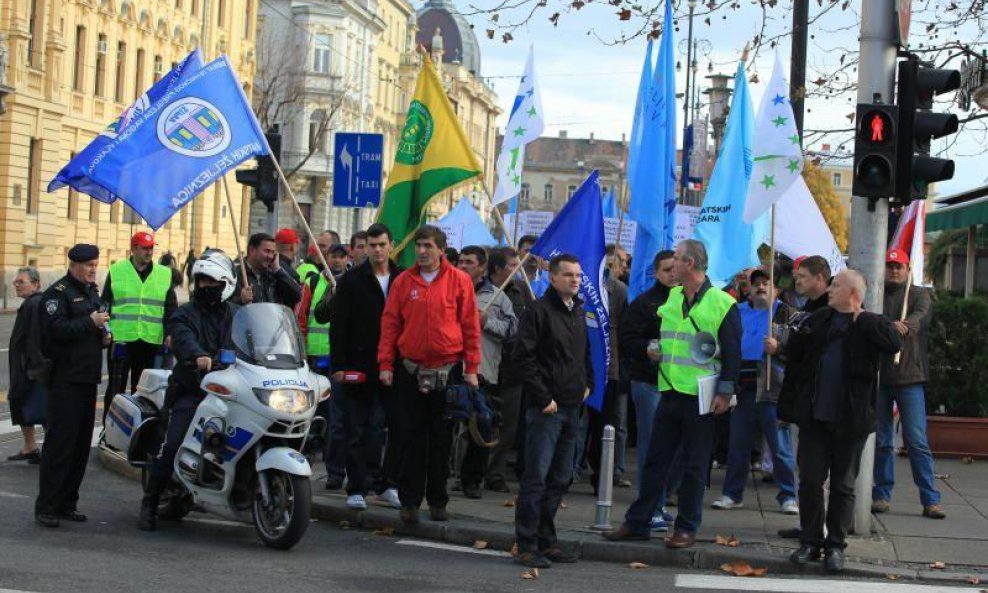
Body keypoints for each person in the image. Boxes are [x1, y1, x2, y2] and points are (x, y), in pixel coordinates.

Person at [604, 239, 741, 549]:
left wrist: (724, 392)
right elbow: (665, 338)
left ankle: (686, 527)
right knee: (655, 461)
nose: (672, 264)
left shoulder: (723, 303)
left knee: (694, 466)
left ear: (689, 264)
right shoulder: (673, 297)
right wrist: (652, 349)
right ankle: (638, 522)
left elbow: (732, 355)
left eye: (677, 259)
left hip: (702, 397)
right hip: (669, 390)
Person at [779, 270, 901, 574]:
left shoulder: (869, 324)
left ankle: (835, 545)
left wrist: (868, 319)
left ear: (854, 294)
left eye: (836, 285)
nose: (830, 289)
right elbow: (794, 359)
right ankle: (810, 541)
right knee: (809, 481)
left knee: (844, 486)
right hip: (814, 418)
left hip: (851, 421)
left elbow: (893, 343)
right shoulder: (819, 319)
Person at [378, 225, 481, 524]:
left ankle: (438, 501)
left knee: (441, 441)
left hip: (447, 373)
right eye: (418, 246)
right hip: (410, 371)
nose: (421, 252)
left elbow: (471, 328)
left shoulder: (459, 282)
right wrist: (385, 364)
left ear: (440, 249)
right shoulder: (403, 282)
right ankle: (410, 502)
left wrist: (472, 369)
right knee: (410, 439)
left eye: (427, 246)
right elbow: (390, 325)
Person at [139, 250, 239, 531]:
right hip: (193, 389)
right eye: (202, 282)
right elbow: (182, 338)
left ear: (226, 283)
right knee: (172, 445)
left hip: (232, 391)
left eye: (211, 282)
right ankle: (150, 501)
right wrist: (198, 356)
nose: (205, 287)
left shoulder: (237, 314)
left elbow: (254, 340)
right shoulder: (185, 313)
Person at [512, 254, 593, 569]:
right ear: (553, 278)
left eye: (577, 275)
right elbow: (523, 357)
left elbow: (582, 353)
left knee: (560, 477)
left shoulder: (578, 311)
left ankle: (547, 540)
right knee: (537, 476)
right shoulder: (538, 311)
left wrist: (589, 382)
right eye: (568, 275)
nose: (575, 279)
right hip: (547, 409)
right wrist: (543, 397)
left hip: (573, 406)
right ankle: (526, 542)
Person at [326, 223, 403, 510]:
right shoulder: (352, 280)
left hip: (394, 366)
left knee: (391, 428)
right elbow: (338, 325)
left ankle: (386, 484)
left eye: (382, 244)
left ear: (391, 245)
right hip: (358, 364)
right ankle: (356, 486)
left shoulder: (402, 278)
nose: (377, 250)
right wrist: (339, 365)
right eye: (372, 245)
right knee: (356, 428)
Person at [711, 267, 799, 516]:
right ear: (747, 289)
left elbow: (799, 349)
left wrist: (779, 347)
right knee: (738, 444)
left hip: (772, 388)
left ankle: (788, 495)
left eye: (766, 283)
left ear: (777, 290)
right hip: (744, 386)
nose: (761, 286)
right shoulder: (736, 312)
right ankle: (732, 494)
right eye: (756, 283)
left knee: (780, 447)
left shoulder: (786, 313)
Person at [35, 244, 109, 528]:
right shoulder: (58, 294)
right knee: (60, 445)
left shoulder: (91, 291)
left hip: (88, 378)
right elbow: (55, 331)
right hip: (65, 379)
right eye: (88, 264)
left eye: (95, 263)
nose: (93, 269)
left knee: (79, 447)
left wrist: (104, 335)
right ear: (74, 265)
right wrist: (89, 323)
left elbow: (94, 326)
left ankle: (68, 502)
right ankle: (48, 506)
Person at [872, 248, 945, 519]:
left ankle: (930, 499)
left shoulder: (918, 294)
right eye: (889, 265)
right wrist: (891, 327)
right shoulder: (876, 294)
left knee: (916, 440)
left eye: (898, 266)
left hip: (910, 378)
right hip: (880, 377)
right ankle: (881, 494)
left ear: (907, 269)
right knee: (881, 440)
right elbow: (870, 322)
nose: (893, 270)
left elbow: (919, 318)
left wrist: (899, 326)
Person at [618, 249, 680, 530]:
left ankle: (660, 502)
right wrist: (647, 348)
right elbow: (627, 339)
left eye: (675, 268)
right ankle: (650, 506)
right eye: (666, 269)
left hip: (678, 383)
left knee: (672, 447)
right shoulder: (644, 303)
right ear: (656, 272)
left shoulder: (687, 301)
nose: (672, 274)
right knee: (651, 446)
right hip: (649, 382)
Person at [457, 245, 518, 499]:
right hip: (450, 367)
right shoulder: (448, 288)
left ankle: (472, 480)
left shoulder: (499, 296)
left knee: (480, 426)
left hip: (483, 370)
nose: (463, 266)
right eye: (460, 261)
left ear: (483, 267)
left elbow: (513, 331)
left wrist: (487, 322)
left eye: (469, 262)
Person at [103, 232, 177, 415]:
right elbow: (105, 305)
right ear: (133, 249)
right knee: (115, 389)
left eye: (151, 248)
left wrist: (170, 332)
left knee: (144, 390)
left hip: (151, 340)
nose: (149, 252)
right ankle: (110, 427)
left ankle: (141, 431)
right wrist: (105, 331)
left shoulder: (164, 274)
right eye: (144, 248)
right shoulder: (117, 271)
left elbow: (171, 308)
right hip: (121, 339)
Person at [483, 247, 531, 492]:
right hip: (484, 367)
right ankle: (473, 471)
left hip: (513, 369)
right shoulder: (480, 291)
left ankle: (496, 474)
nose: (517, 270)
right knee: (481, 421)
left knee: (508, 425)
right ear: (497, 269)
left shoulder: (522, 290)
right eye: (512, 265)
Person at [584, 245, 629, 490]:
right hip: (579, 367)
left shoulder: (619, 291)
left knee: (606, 424)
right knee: (579, 425)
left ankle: (602, 475)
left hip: (608, 369)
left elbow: (623, 331)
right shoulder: (582, 286)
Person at [7, 266, 47, 463]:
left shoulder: (34, 304)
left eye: (21, 282)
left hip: (29, 368)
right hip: (25, 366)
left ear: (36, 284)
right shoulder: (31, 303)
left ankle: (48, 449)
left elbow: (34, 339)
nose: (16, 285)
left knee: (39, 407)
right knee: (24, 404)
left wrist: (34, 368)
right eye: (16, 281)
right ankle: (30, 447)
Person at [232, 232, 302, 308]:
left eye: (273, 252)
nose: (270, 256)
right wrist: (240, 300)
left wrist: (278, 270)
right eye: (267, 251)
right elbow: (222, 307)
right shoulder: (235, 275)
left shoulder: (274, 276)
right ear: (252, 250)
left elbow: (297, 296)